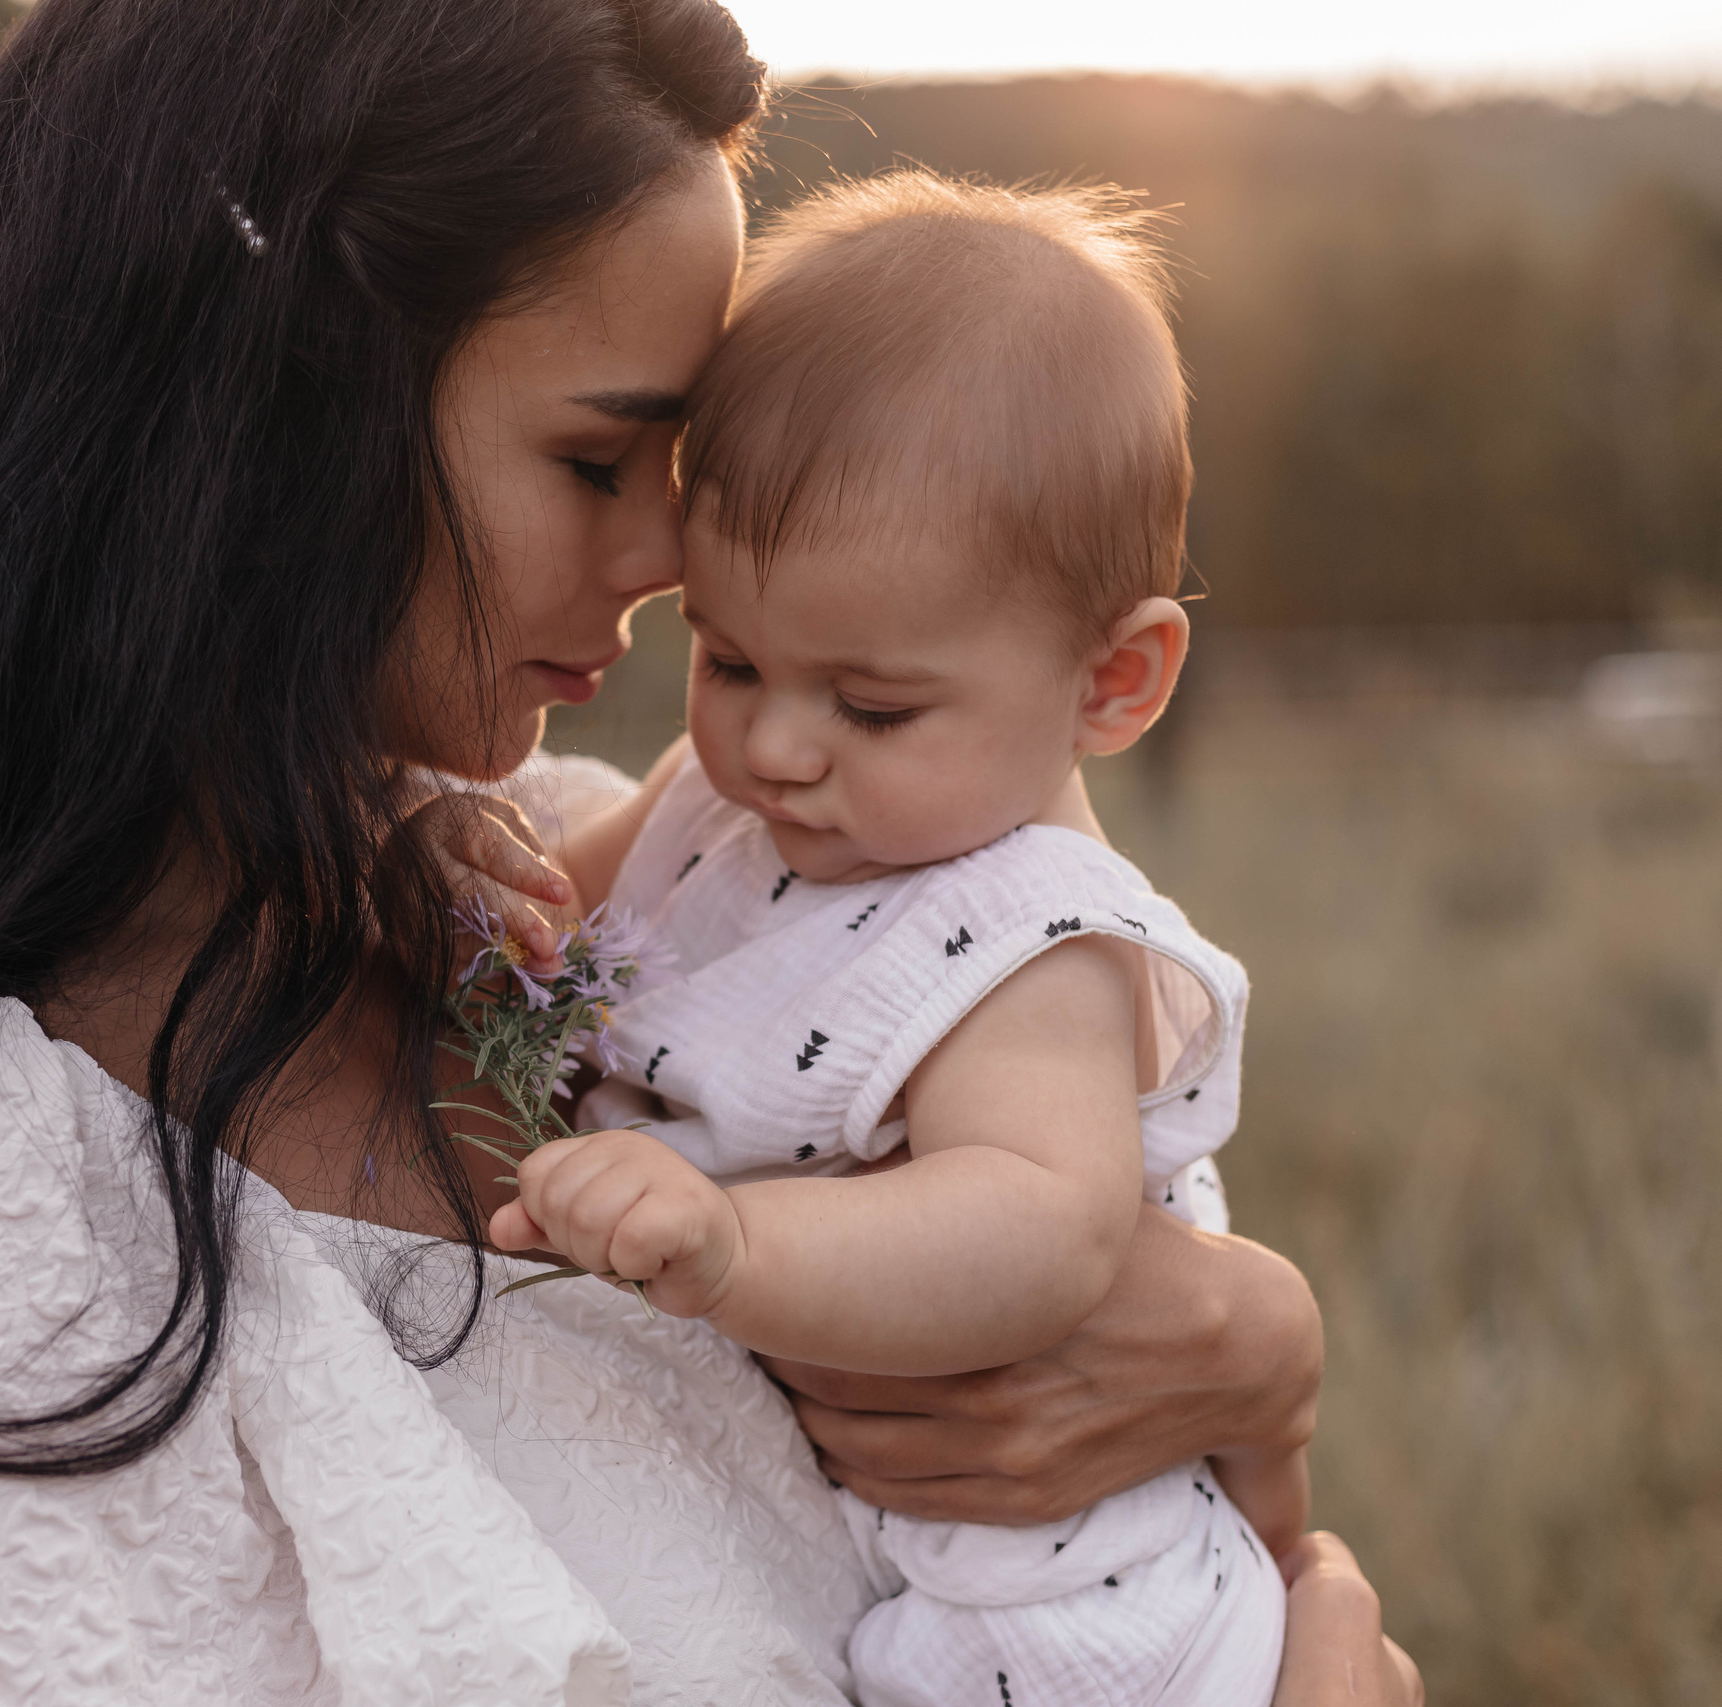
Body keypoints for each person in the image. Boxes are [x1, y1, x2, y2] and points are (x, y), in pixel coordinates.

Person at [0, 1, 1421, 1701]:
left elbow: (1106, 1345)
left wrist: (1260, 1351)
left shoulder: (550, 887)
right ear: (280, 400)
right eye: (592, 459)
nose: (668, 558)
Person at [444, 174, 1296, 1706]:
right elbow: (546, 933)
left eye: (874, 705)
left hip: (1059, 1604)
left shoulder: (1029, 943)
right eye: (730, 655)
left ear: (1114, 683)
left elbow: (1043, 1227)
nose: (775, 745)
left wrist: (741, 1242)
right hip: (873, 1548)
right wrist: (452, 874)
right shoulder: (719, 797)